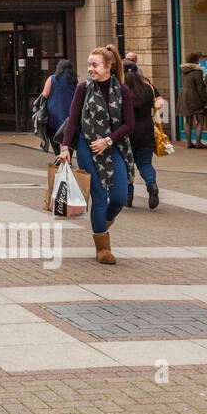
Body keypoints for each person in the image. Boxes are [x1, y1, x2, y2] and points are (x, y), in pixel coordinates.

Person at [59, 45, 135, 265]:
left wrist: (108, 140)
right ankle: (103, 248)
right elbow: (73, 120)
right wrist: (65, 147)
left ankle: (103, 223)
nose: (90, 69)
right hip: (87, 145)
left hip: (114, 145)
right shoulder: (83, 88)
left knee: (120, 196)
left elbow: (129, 124)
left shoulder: (122, 90)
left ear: (108, 67)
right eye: (89, 65)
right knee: (100, 195)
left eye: (95, 65)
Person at [123, 59, 163, 210]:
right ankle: (151, 183)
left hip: (127, 133)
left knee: (127, 165)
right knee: (145, 163)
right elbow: (159, 104)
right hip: (147, 131)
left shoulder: (120, 89)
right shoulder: (148, 88)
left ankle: (129, 196)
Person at [41, 59, 79, 148]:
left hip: (54, 111)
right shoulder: (74, 80)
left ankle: (58, 155)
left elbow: (45, 94)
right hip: (69, 111)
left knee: (53, 133)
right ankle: (68, 155)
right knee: (68, 133)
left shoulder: (52, 78)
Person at [178, 53, 207, 148]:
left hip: (183, 96)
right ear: (196, 60)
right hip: (194, 96)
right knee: (200, 120)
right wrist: (204, 101)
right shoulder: (197, 71)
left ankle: (188, 143)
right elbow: (200, 87)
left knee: (188, 121)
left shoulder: (183, 70)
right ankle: (198, 142)